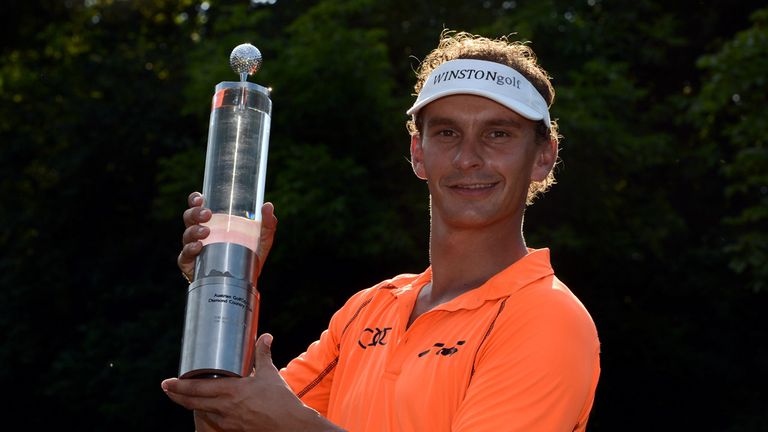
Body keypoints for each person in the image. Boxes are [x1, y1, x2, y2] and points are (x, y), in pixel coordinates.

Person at [162, 30, 601, 432]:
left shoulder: (547, 317)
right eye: (447, 132)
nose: (468, 157)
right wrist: (226, 281)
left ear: (544, 156)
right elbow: (229, 422)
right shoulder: (369, 310)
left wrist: (293, 425)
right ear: (418, 152)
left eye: (498, 134)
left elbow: (279, 422)